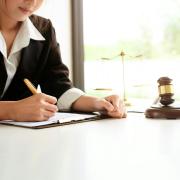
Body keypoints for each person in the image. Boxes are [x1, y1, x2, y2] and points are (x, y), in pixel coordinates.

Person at [0, 0, 126, 122]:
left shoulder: (43, 29)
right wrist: (11, 110)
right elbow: (15, 110)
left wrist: (98, 103)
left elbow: (58, 86)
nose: (32, 2)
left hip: (18, 138)